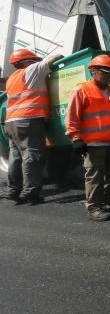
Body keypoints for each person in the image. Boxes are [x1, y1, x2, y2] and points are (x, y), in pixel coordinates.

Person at [65, 55, 110, 222]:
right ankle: (93, 208)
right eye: (104, 72)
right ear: (93, 71)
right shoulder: (81, 90)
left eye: (109, 73)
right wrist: (76, 138)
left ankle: (104, 203)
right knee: (94, 176)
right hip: (93, 143)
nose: (107, 76)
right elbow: (72, 117)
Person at [3, 49, 63, 204]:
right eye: (33, 60)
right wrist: (58, 56)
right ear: (25, 62)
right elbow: (53, 58)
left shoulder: (11, 79)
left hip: (11, 123)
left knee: (15, 158)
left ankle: (13, 190)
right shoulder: (31, 70)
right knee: (32, 157)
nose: (35, 63)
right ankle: (30, 192)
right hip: (29, 120)